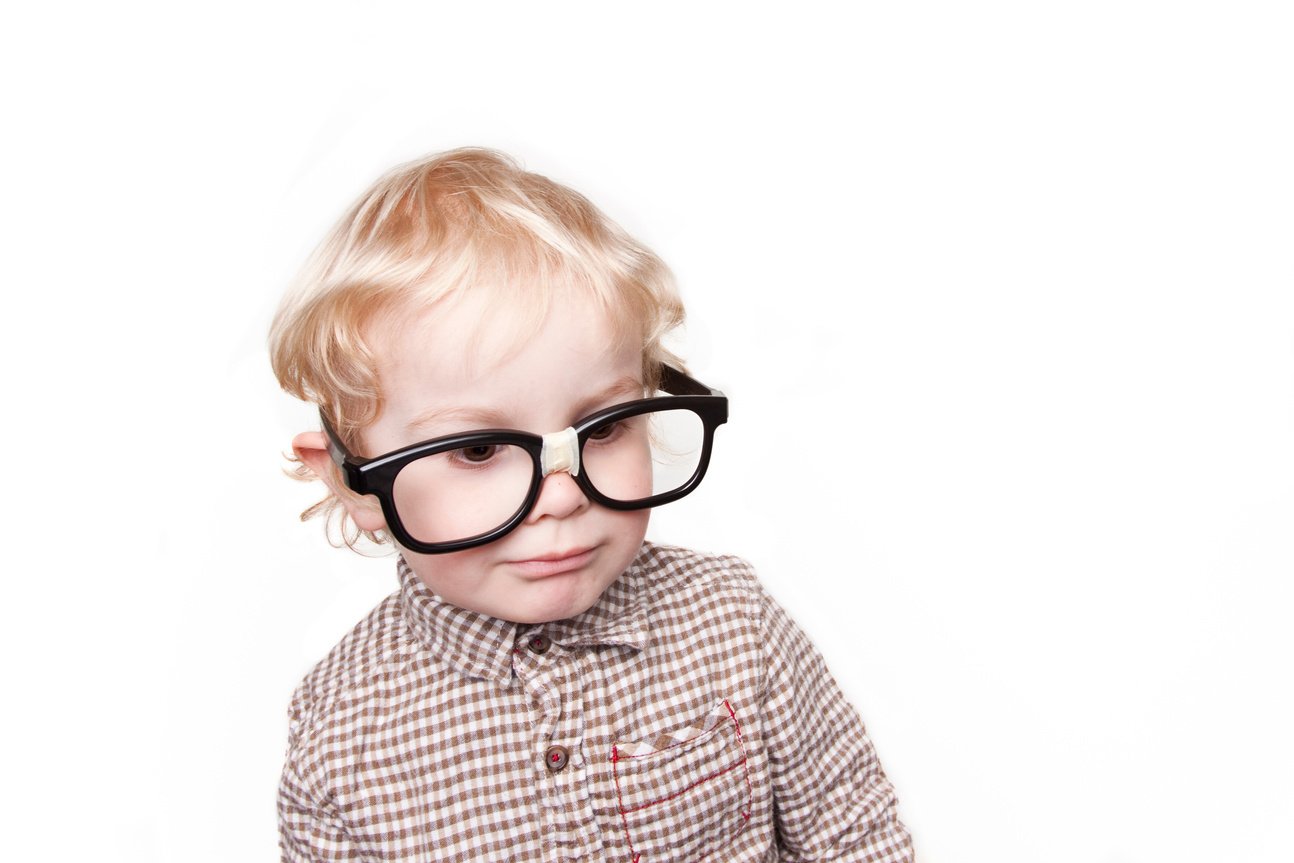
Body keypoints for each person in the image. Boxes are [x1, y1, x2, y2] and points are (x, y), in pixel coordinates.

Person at [269, 147, 913, 861]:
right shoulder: (342, 731)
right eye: (479, 450)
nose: (562, 496)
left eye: (603, 428)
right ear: (350, 482)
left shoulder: (735, 624)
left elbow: (857, 837)